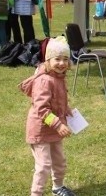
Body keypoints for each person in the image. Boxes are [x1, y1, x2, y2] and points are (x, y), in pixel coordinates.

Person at [19, 36, 76, 196]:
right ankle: (36, 193)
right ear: (48, 60)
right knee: (43, 165)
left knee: (59, 161)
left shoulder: (59, 77)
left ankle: (58, 187)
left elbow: (56, 100)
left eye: (65, 59)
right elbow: (42, 109)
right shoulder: (44, 80)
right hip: (40, 130)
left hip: (54, 129)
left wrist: (66, 109)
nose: (62, 63)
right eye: (57, 59)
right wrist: (58, 124)